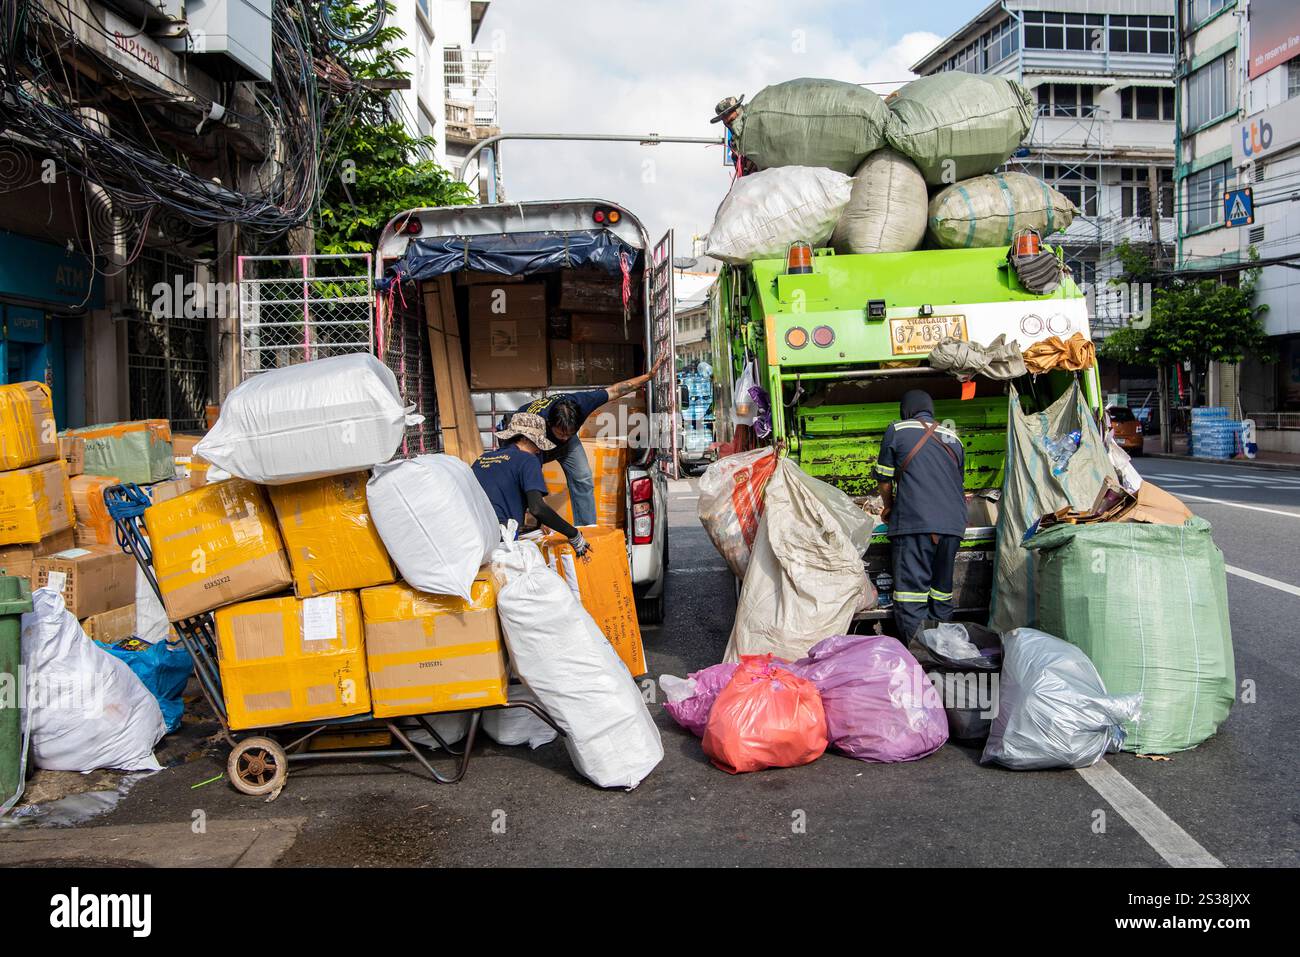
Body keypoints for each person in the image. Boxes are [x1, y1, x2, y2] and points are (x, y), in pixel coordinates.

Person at [501, 350, 670, 526]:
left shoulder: (582, 402)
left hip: (562, 446)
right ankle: (519, 526)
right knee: (526, 485)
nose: (565, 437)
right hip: (535, 442)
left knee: (583, 479)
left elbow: (616, 390)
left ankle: (588, 529)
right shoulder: (529, 425)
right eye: (561, 433)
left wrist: (648, 376)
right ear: (550, 424)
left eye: (569, 433)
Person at [874, 389, 967, 643]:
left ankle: (920, 656)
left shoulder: (898, 430)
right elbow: (958, 484)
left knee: (911, 596)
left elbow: (884, 480)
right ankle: (943, 650)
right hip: (952, 526)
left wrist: (889, 506)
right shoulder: (953, 436)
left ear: (905, 409)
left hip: (915, 523)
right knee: (941, 593)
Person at [472, 412, 590, 557]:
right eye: (537, 443)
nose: (538, 450)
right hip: (500, 542)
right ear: (524, 438)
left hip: (473, 538)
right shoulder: (527, 460)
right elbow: (537, 508)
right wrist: (573, 534)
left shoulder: (482, 459)